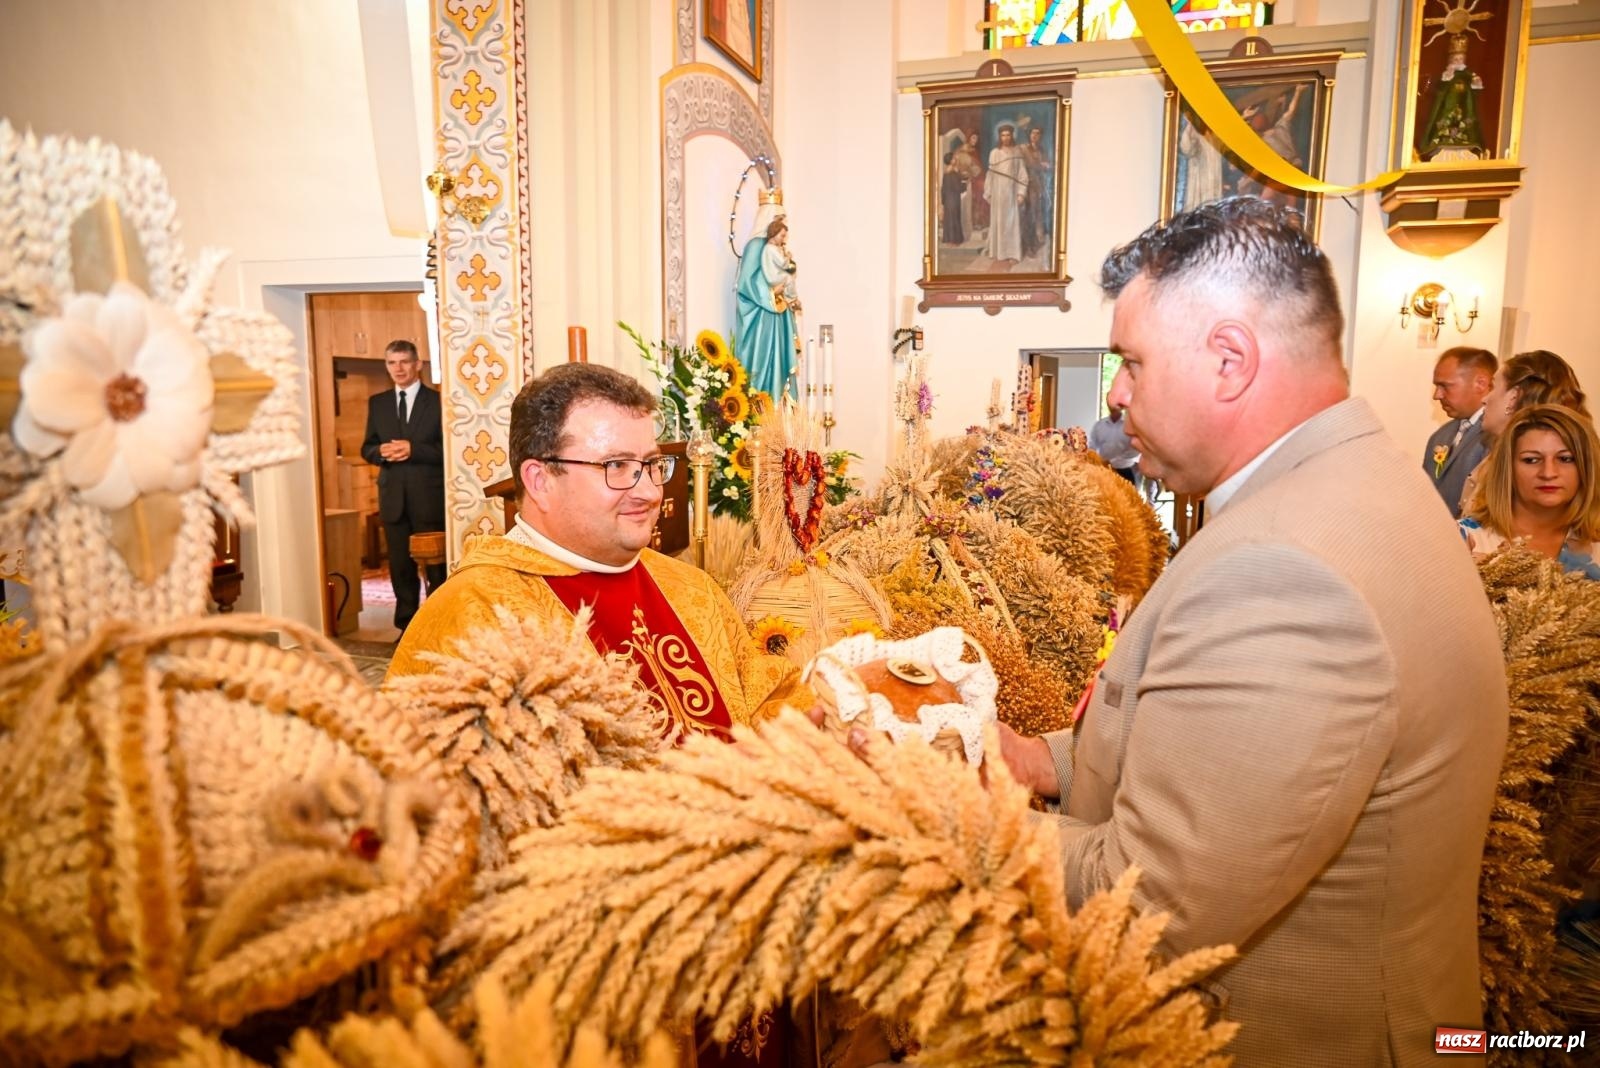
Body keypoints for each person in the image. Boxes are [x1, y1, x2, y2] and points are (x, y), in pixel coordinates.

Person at [998, 198, 1507, 1066]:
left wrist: (952, 814)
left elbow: (1147, 904)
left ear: (1230, 361)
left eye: (1132, 362)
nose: (1116, 394)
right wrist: (1048, 759)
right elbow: (1234, 759)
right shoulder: (1354, 480)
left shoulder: (1285, 568)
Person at [361, 339, 446, 632]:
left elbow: (449, 450)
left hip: (429, 498)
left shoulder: (438, 402)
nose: (398, 368)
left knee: (437, 568)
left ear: (417, 365)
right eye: (391, 363)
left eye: (404, 362)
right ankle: (407, 629)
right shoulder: (378, 403)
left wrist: (414, 449)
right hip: (393, 498)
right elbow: (367, 447)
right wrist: (380, 453)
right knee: (400, 568)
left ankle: (438, 627)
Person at [1459, 404, 1600, 579]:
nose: (1548, 473)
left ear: (1587, 467)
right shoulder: (1461, 541)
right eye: (1531, 460)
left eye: (1565, 459)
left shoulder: (1596, 543)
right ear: (1508, 468)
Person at [1458, 349, 1588, 514]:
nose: (1485, 399)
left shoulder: (1538, 474)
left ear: (1513, 397)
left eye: (1493, 387)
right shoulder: (1499, 454)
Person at [1422, 345, 1496, 518]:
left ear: (1481, 383)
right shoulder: (1440, 436)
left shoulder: (1494, 436)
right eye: (1436, 386)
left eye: (1445, 386)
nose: (1437, 395)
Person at [735, 217, 801, 402]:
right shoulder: (756, 246)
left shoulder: (774, 247)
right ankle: (761, 404)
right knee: (761, 359)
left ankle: (777, 410)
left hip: (779, 314)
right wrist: (770, 292)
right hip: (761, 317)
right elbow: (746, 284)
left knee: (779, 358)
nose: (784, 238)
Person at [983, 124, 1028, 265]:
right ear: (999, 137)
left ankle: (1012, 253)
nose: (1005, 138)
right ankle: (998, 252)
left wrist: (1021, 193)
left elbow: (1022, 174)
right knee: (999, 222)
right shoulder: (994, 153)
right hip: (998, 193)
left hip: (1011, 193)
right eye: (1003, 135)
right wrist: (988, 192)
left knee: (1011, 223)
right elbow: (990, 174)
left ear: (1012, 136)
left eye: (1008, 135)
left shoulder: (1017, 152)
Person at [1177, 115, 1224, 210]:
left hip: (1214, 187)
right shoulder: (1195, 134)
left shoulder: (1216, 137)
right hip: (1199, 186)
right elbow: (1187, 148)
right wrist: (1190, 126)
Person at [1019, 126, 1052, 258]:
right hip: (1024, 185)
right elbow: (1027, 165)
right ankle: (1025, 246)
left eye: (1038, 134)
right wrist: (1040, 165)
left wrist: (1046, 166)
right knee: (1026, 216)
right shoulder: (1023, 149)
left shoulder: (1042, 150)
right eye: (1033, 133)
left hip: (1037, 186)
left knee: (1035, 215)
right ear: (1029, 134)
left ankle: (1033, 244)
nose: (1035, 135)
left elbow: (1048, 165)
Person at [1088, 403, 1139, 485]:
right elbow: (1092, 444)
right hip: (1105, 470)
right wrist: (1095, 460)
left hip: (1126, 470)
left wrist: (1113, 461)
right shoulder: (1099, 425)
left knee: (1127, 497)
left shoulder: (1130, 425)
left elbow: (1135, 450)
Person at [938, 152, 965, 246]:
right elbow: (958, 187)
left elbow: (943, 188)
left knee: (949, 219)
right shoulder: (953, 172)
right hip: (954, 198)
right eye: (953, 158)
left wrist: (943, 201)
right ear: (950, 160)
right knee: (954, 219)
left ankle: (949, 240)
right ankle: (954, 241)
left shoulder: (946, 172)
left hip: (948, 199)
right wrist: (965, 184)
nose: (956, 159)